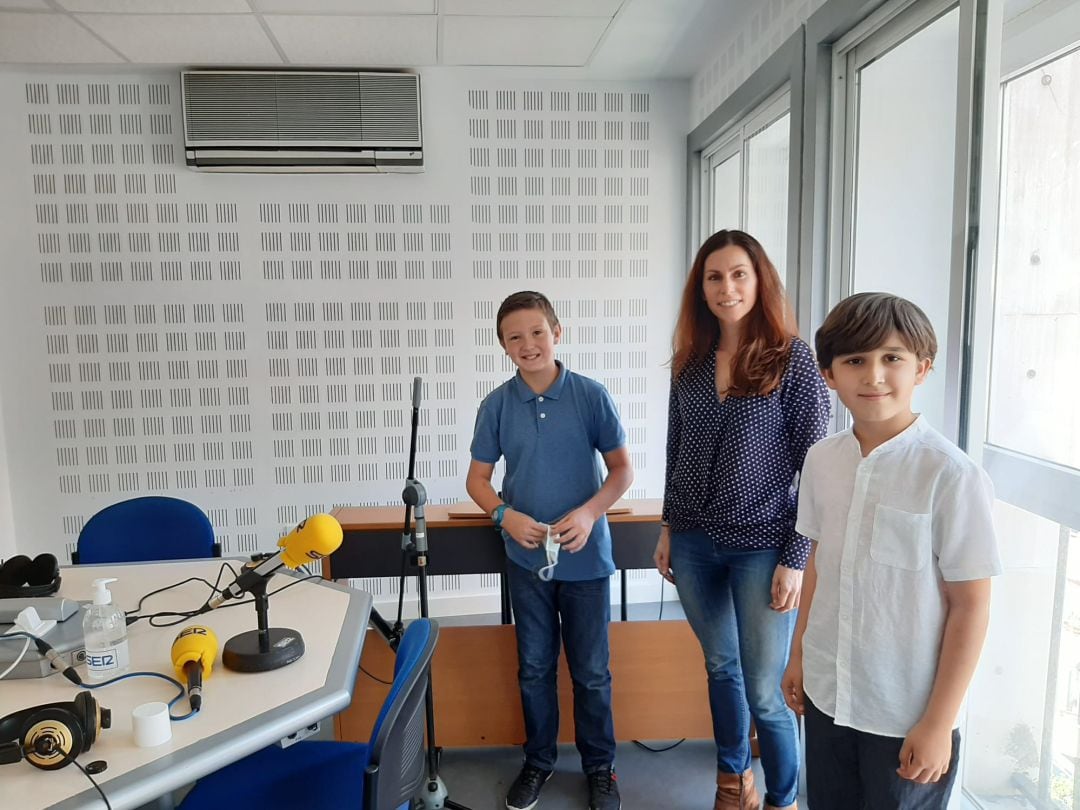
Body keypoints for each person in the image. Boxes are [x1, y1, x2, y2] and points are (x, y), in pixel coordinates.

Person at [781, 292, 1001, 809]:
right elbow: (819, 563)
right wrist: (798, 657)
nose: (873, 376)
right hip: (829, 694)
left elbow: (972, 604)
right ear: (829, 375)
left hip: (906, 711)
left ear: (922, 368)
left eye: (891, 358)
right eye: (855, 360)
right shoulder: (821, 459)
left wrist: (939, 723)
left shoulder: (951, 475)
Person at [653, 229, 830, 810]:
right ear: (700, 289)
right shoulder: (691, 362)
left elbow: (816, 466)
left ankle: (782, 797)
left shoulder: (792, 358)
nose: (726, 287)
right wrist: (667, 529)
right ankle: (734, 781)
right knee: (720, 666)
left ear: (759, 281)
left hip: (763, 545)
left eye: (738, 274)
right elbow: (676, 448)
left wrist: (795, 558)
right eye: (714, 277)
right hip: (695, 543)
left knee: (764, 688)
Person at [466, 290, 633, 810]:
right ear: (503, 347)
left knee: (591, 672)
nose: (528, 344)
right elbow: (477, 480)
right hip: (525, 562)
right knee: (534, 668)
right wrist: (503, 515)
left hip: (586, 562)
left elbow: (622, 470)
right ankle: (538, 762)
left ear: (556, 333)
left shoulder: (590, 395)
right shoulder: (495, 406)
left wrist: (588, 513)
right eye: (514, 337)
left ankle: (600, 768)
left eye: (537, 332)